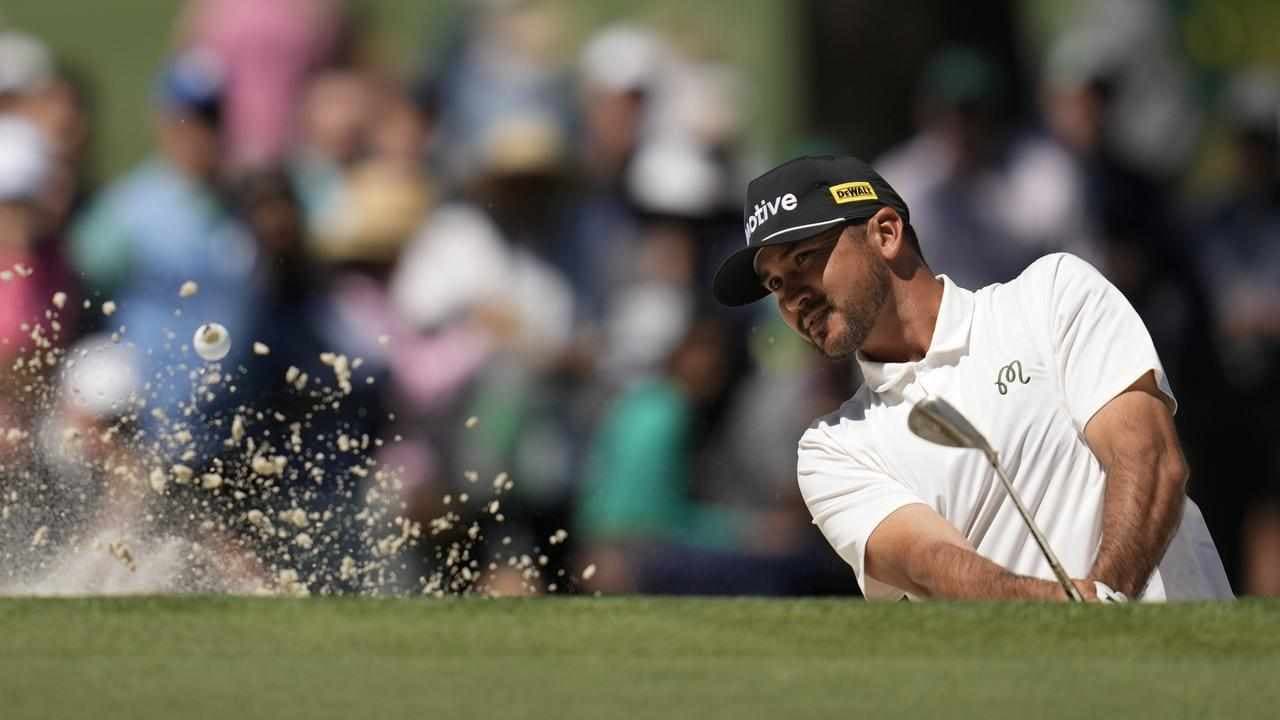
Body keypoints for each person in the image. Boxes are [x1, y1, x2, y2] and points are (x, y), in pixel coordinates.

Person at [711, 154, 1233, 601]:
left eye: (805, 259)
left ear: (886, 234)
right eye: (776, 284)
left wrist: (1108, 599)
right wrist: (1082, 618)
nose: (791, 298)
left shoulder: (1052, 296)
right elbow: (932, 565)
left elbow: (1150, 459)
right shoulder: (832, 449)